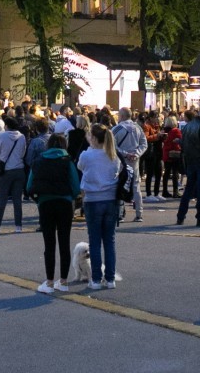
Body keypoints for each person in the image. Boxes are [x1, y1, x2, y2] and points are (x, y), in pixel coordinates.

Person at [28, 133, 81, 294]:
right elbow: (75, 186)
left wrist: (38, 199)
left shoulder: (39, 160)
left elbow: (29, 185)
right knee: (64, 242)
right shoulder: (67, 161)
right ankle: (63, 281)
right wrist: (71, 197)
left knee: (49, 243)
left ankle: (49, 282)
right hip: (64, 203)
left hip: (45, 203)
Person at [77, 123, 120, 289]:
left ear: (93, 138)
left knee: (94, 242)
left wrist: (90, 148)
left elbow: (80, 166)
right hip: (111, 199)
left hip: (92, 199)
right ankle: (110, 279)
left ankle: (95, 279)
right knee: (109, 241)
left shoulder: (86, 155)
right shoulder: (113, 155)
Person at [0, 117, 28, 233]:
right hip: (19, 169)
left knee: (2, 199)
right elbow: (23, 152)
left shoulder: (3, 136)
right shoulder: (22, 137)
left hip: (6, 170)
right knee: (17, 200)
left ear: (7, 126)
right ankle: (18, 226)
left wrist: (1, 161)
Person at [113, 108, 148, 222]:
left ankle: (120, 213)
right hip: (134, 161)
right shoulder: (137, 128)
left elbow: (112, 145)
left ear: (122, 116)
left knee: (120, 185)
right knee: (135, 186)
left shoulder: (117, 129)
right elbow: (144, 144)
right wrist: (137, 154)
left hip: (121, 160)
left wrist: (125, 153)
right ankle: (139, 213)